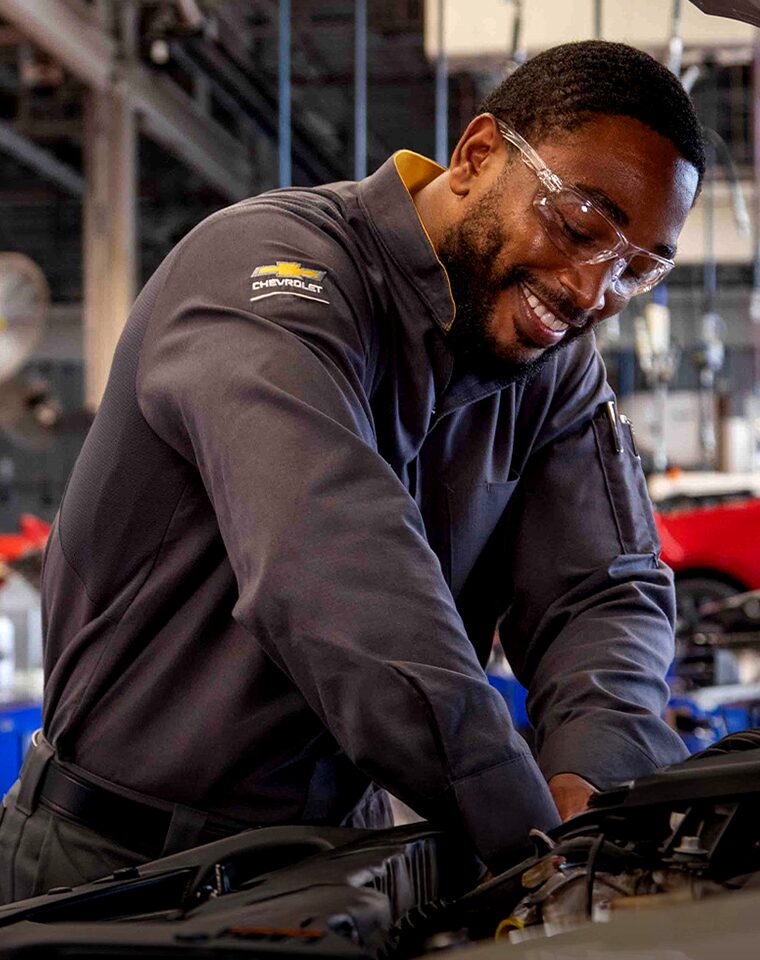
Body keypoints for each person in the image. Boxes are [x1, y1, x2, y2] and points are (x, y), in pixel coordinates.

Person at [0, 40, 704, 903]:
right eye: (579, 225)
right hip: (114, 869)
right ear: (478, 155)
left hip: (336, 866)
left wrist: (597, 785)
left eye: (636, 269)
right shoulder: (270, 273)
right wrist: (527, 838)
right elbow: (332, 570)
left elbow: (601, 589)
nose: (591, 291)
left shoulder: (551, 363)